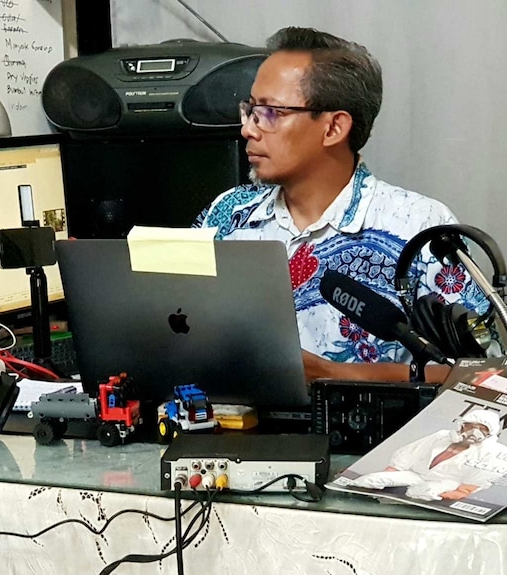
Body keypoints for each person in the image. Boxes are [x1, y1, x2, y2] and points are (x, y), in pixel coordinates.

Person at [194, 27, 483, 383]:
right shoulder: (226, 214)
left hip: (374, 438)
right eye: (250, 110)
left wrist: (336, 374)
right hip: (230, 434)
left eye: (269, 113)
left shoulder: (421, 228)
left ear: (333, 128)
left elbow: (485, 374)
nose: (248, 130)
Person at [350, 409, 507, 501]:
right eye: (470, 426)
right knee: (370, 479)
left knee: (423, 491)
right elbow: (413, 450)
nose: (474, 431)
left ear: (491, 432)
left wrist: (463, 491)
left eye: (482, 428)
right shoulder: (442, 436)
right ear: (462, 425)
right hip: (418, 473)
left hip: (449, 482)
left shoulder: (493, 450)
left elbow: (484, 475)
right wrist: (394, 468)